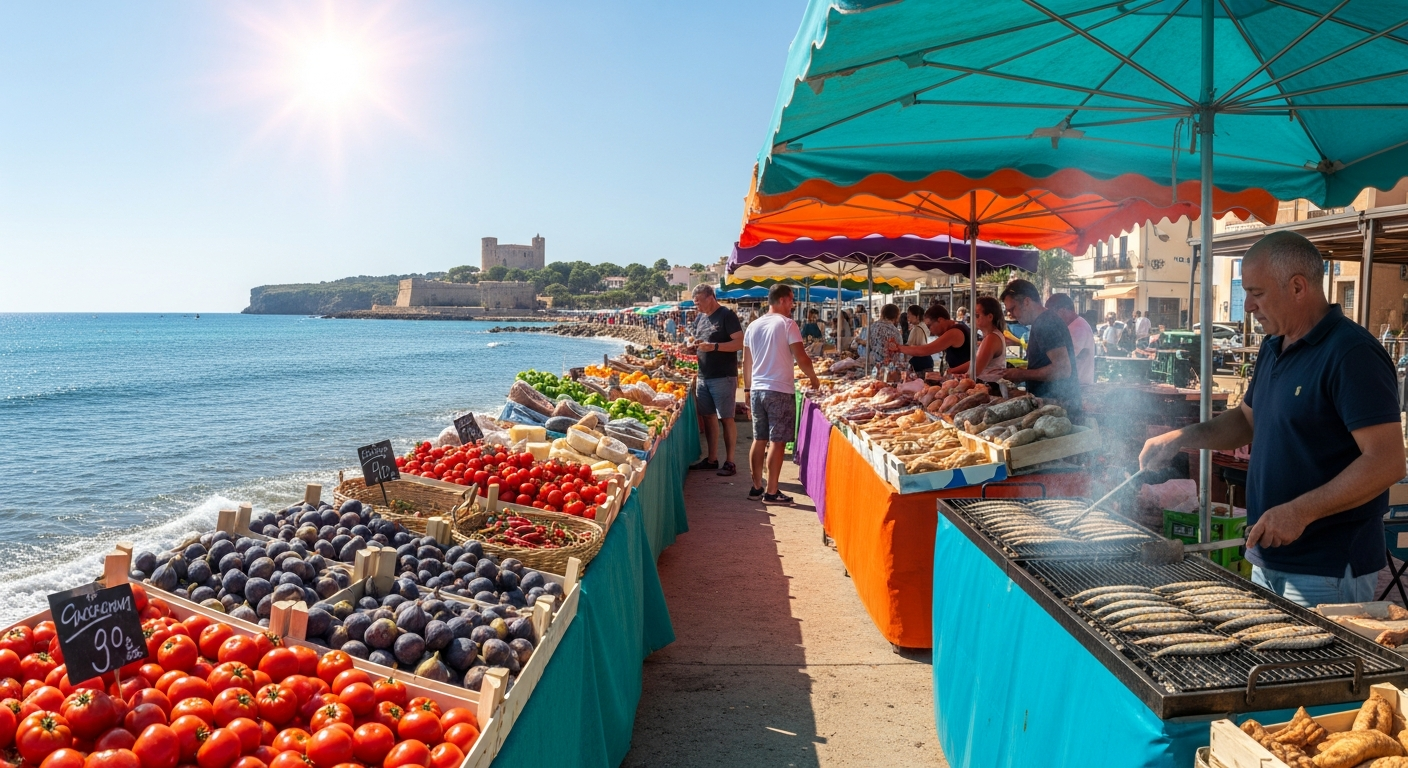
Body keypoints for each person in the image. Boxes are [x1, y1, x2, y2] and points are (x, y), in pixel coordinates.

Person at [1140, 231, 1405, 607]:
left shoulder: (1352, 354)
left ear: (1298, 287)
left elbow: (1387, 461)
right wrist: (1181, 436)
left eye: (1257, 293)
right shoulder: (1273, 346)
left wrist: (1300, 512)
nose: (1247, 306)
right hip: (1267, 557)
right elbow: (1247, 421)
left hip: (1325, 569)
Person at [743, 285, 821, 505]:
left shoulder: (753, 326)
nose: (793, 305)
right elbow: (802, 357)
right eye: (792, 301)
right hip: (779, 389)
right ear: (783, 300)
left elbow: (745, 362)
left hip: (758, 389)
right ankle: (772, 491)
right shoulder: (787, 324)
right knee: (777, 442)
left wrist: (748, 389)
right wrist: (814, 378)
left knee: (759, 439)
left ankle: (756, 486)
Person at [687, 285, 744, 476]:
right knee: (708, 417)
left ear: (711, 297)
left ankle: (730, 462)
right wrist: (692, 346)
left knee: (726, 418)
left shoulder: (727, 315)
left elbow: (739, 342)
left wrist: (715, 347)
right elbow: (699, 340)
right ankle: (712, 459)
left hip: (723, 376)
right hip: (704, 375)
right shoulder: (701, 318)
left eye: (699, 302)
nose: (697, 307)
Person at [999, 279, 1080, 408]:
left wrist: (1022, 374)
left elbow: (1063, 369)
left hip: (1058, 408)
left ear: (1026, 302)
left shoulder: (1046, 323)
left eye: (1012, 309)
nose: (1011, 315)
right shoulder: (1043, 321)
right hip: (1051, 405)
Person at [889, 304, 971, 374]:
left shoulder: (954, 332)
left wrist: (898, 347)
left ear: (940, 320)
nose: (929, 330)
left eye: (929, 326)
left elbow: (925, 350)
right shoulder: (958, 328)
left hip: (963, 379)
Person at [1048, 293, 1095, 385]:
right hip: (1075, 385)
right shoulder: (1074, 325)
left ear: (1062, 311)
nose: (1050, 319)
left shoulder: (1078, 328)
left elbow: (1063, 360)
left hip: (1080, 385)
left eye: (1052, 315)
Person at [968, 296, 1009, 383]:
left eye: (977, 315)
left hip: (990, 386)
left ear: (990, 317)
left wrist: (958, 373)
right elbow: (976, 362)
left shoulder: (992, 338)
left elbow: (976, 369)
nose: (973, 319)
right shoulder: (990, 336)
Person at [867, 304, 904, 370]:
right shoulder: (895, 331)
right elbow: (898, 353)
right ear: (896, 316)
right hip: (888, 367)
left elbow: (869, 343)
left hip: (873, 365)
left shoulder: (873, 326)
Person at [904, 305, 933, 374]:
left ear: (917, 316)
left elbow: (918, 347)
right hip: (925, 361)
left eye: (910, 314)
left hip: (920, 363)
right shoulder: (923, 326)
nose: (907, 317)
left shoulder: (917, 329)